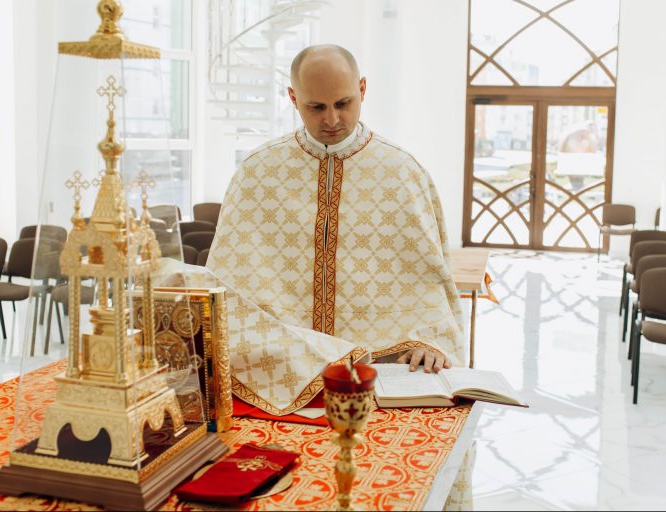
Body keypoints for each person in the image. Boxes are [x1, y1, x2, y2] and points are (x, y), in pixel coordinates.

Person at [193, 44, 464, 415]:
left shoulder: (402, 173)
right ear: (293, 98)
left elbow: (429, 277)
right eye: (316, 107)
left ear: (363, 89)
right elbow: (227, 284)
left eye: (344, 103)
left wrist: (430, 340)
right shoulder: (258, 172)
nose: (332, 119)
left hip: (381, 369)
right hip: (280, 368)